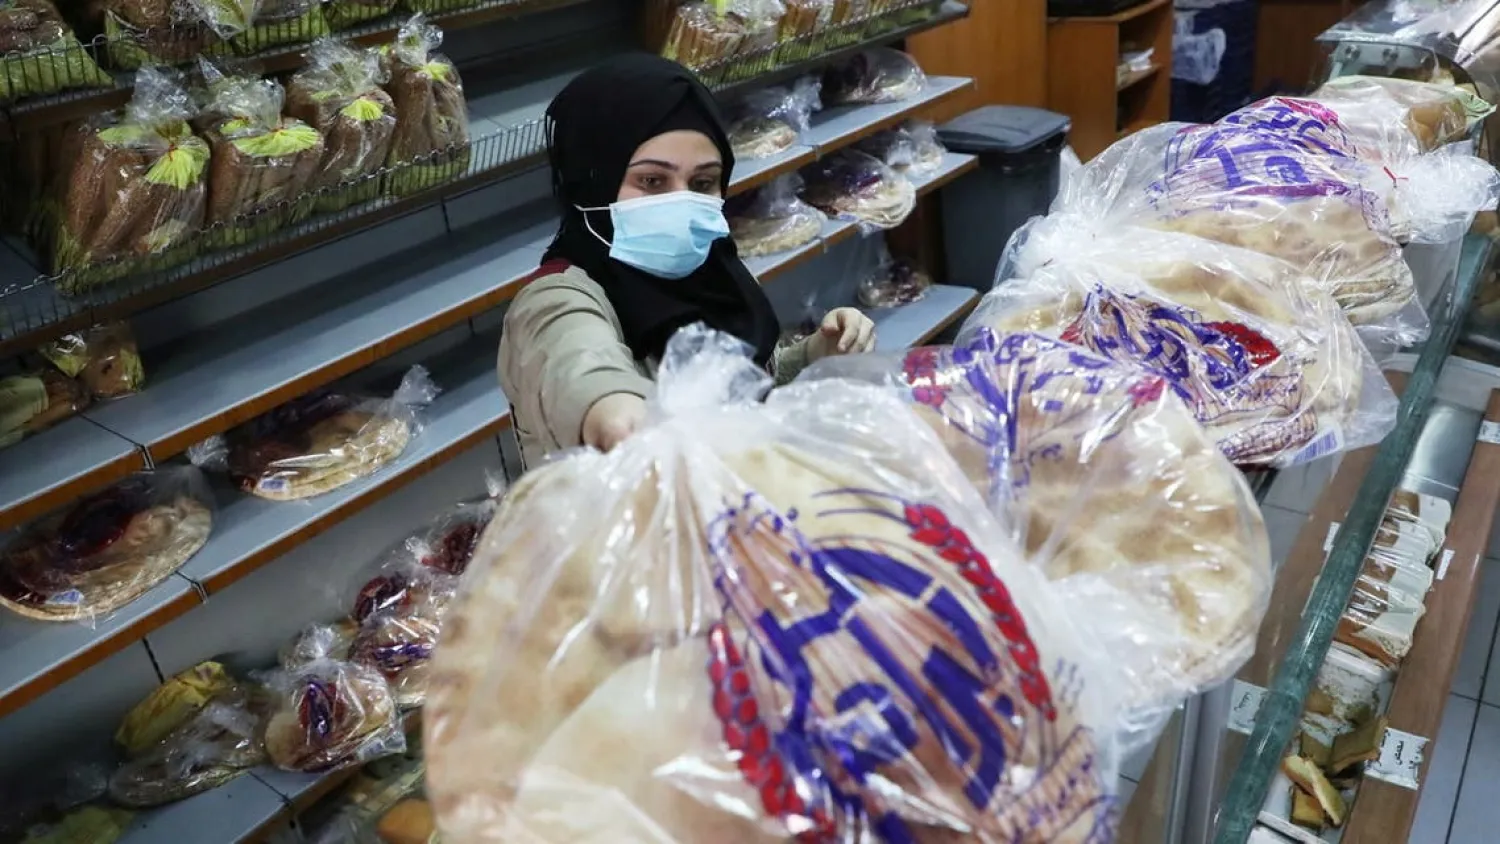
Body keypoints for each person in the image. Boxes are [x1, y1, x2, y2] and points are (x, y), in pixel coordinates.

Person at [499, 54, 877, 465]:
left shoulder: (710, 272)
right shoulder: (557, 297)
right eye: (651, 181)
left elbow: (733, 393)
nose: (681, 201)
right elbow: (578, 366)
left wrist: (813, 356)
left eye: (702, 182)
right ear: (592, 181)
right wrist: (614, 410)